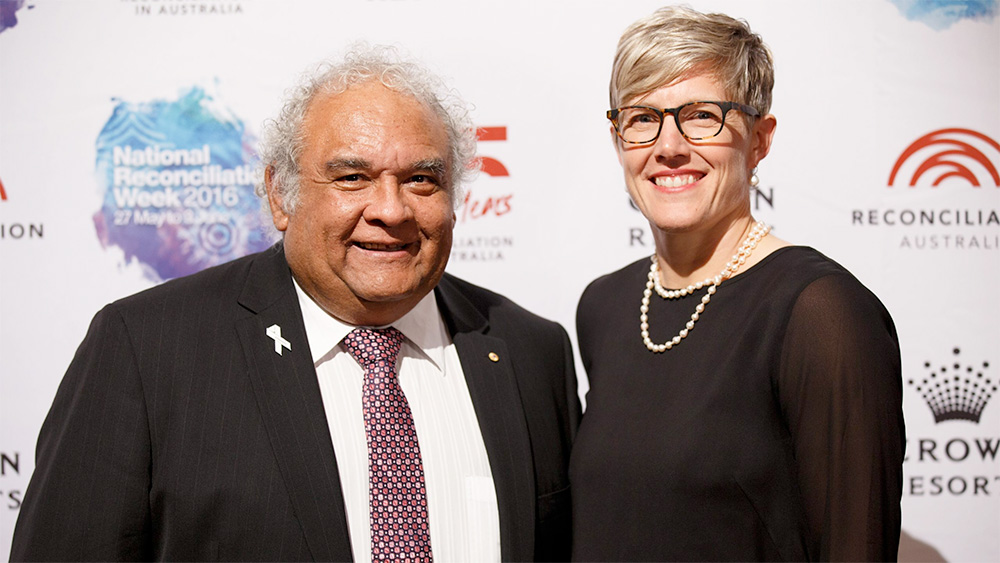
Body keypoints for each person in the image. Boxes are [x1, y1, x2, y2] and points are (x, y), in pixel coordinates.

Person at [11, 45, 579, 562]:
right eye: (353, 177)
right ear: (281, 196)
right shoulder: (146, 348)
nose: (392, 210)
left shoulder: (530, 350)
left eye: (421, 180)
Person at [570, 6, 904, 561]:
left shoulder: (821, 312)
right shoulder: (604, 304)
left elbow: (855, 545)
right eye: (642, 117)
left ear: (759, 139)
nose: (669, 145)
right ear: (617, 138)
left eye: (701, 115)